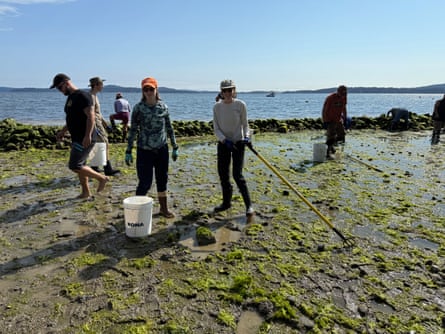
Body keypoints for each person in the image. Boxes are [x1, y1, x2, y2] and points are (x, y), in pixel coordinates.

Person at [125, 77, 179, 218]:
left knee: (162, 180)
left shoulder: (163, 107)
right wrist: (128, 150)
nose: (149, 92)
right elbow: (133, 130)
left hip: (161, 149)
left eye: (151, 89)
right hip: (144, 150)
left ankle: (163, 209)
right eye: (145, 89)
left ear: (156, 90)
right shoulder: (138, 108)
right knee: (145, 182)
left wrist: (174, 146)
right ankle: (136, 212)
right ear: (143, 91)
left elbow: (169, 128)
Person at [51, 73, 109, 198]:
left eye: (60, 87)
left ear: (67, 83)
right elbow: (71, 119)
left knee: (74, 165)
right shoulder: (71, 98)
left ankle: (102, 178)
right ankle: (86, 192)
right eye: (57, 89)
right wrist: (63, 131)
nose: (60, 91)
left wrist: (87, 136)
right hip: (77, 137)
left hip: (84, 138)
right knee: (81, 165)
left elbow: (91, 116)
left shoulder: (83, 95)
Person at [213, 79, 254, 216]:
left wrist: (247, 137)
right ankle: (226, 203)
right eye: (225, 90)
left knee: (238, 175)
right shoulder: (217, 107)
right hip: (224, 144)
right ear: (221, 92)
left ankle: (249, 206)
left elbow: (245, 125)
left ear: (234, 91)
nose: (228, 93)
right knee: (223, 175)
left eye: (230, 90)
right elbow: (216, 129)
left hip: (238, 143)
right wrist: (224, 140)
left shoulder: (240, 105)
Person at [88, 76, 120, 176]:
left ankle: (94, 167)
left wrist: (106, 125)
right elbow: (92, 113)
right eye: (101, 84)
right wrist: (94, 126)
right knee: (104, 143)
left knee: (97, 144)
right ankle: (107, 168)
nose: (102, 86)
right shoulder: (91, 97)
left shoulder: (94, 96)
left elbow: (98, 113)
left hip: (97, 122)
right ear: (96, 85)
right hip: (95, 123)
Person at [322, 85, 347, 158]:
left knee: (342, 134)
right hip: (329, 119)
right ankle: (328, 153)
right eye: (342, 93)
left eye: (344, 93)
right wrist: (325, 121)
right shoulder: (330, 98)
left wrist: (345, 117)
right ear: (338, 91)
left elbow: (344, 107)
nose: (343, 95)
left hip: (338, 119)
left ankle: (333, 148)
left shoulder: (344, 97)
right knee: (331, 136)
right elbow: (325, 109)